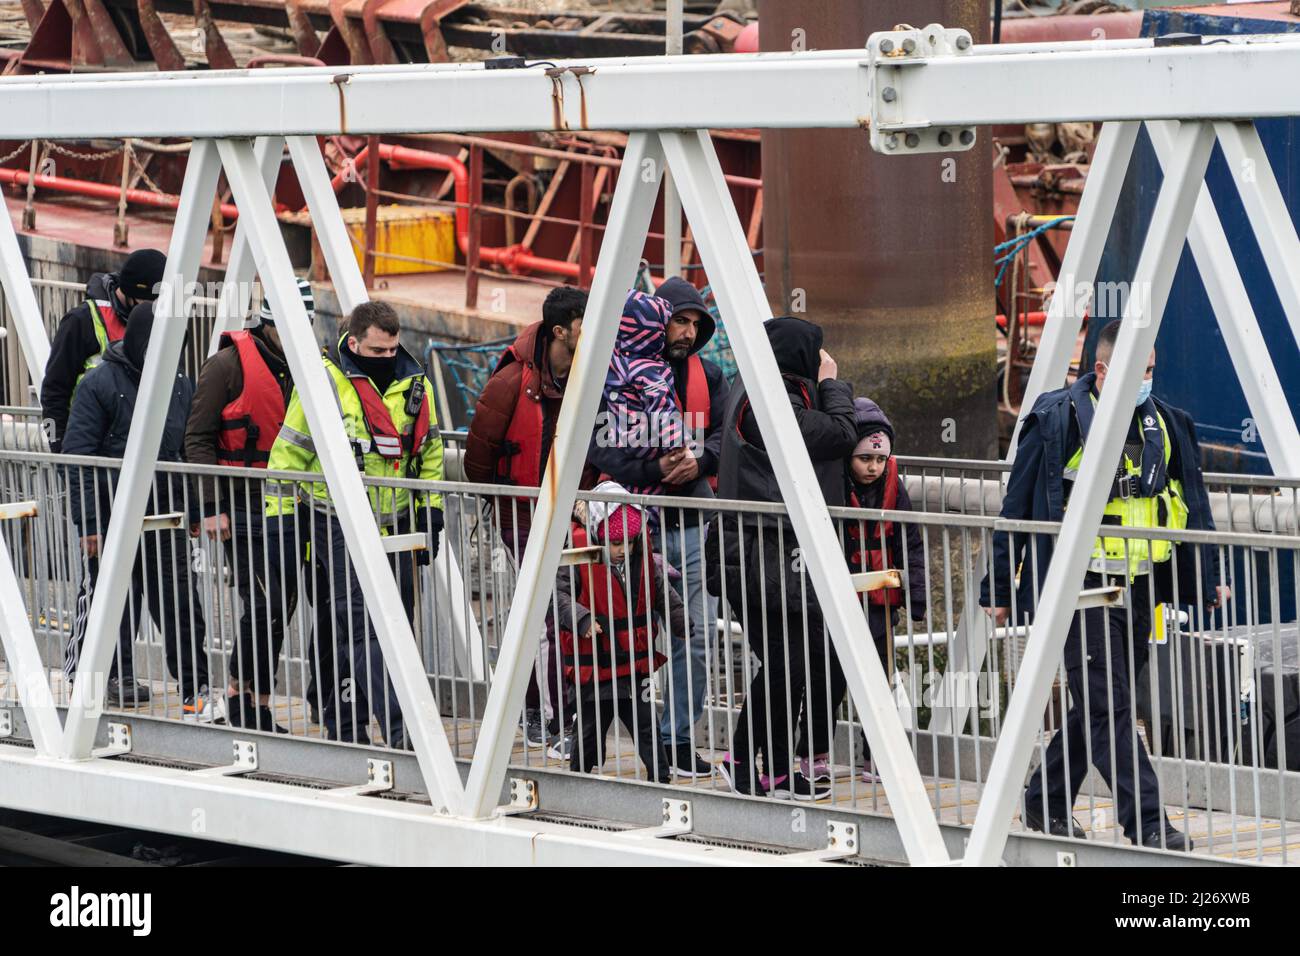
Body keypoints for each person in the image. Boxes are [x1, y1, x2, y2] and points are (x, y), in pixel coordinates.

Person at [981, 319, 1228, 851]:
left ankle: (1044, 802)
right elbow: (1016, 510)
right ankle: (1149, 822)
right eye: (1138, 370)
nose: (1147, 379)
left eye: (1151, 370)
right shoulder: (1056, 419)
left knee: (1099, 703)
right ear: (1101, 370)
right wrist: (998, 590)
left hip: (1138, 587)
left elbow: (1195, 508)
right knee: (1110, 705)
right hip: (1081, 588)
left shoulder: (1169, 423)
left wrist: (1210, 577)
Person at [265, 300, 444, 749]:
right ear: (353, 341)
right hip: (337, 521)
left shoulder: (414, 382)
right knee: (362, 625)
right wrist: (282, 525)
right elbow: (287, 456)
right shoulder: (324, 380)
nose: (386, 359)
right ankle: (402, 731)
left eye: (392, 351)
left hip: (397, 524)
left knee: (394, 627)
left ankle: (342, 719)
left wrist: (432, 510)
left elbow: (430, 454)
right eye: (377, 352)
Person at [709, 316, 857, 800]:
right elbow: (838, 434)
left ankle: (770, 766)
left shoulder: (755, 390)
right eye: (816, 353)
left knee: (788, 661)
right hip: (758, 555)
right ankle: (738, 757)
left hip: (767, 554)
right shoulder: (767, 403)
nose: (820, 362)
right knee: (784, 660)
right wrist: (834, 385)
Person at [587, 277, 729, 779]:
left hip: (689, 520)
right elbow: (594, 445)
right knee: (612, 633)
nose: (688, 333)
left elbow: (727, 436)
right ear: (657, 321)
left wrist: (700, 460)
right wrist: (653, 470)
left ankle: (676, 739)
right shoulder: (609, 374)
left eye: (696, 324)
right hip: (625, 524)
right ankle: (591, 738)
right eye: (680, 321)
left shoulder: (709, 377)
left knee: (693, 634)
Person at [62, 302, 217, 718]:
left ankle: (195, 689)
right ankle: (103, 680)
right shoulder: (99, 384)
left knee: (182, 604)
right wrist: (90, 523)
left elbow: (184, 451)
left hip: (165, 516)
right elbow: (79, 458)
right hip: (112, 517)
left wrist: (196, 512)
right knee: (110, 603)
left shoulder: (180, 384)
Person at [186, 278, 316, 733]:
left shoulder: (308, 366)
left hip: (291, 509)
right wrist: (211, 505)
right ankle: (242, 698)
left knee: (285, 602)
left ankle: (254, 702)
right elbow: (197, 438)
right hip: (240, 509)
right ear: (269, 322)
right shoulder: (225, 366)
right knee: (266, 601)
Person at [464, 285, 588, 758]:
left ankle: (537, 705)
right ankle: (553, 718)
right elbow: (479, 457)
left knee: (564, 610)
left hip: (571, 516)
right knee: (551, 612)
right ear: (560, 331)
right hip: (523, 515)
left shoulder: (587, 372)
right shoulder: (511, 382)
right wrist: (513, 498)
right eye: (583, 322)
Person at [796, 397, 928, 784]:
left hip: (879, 603)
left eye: (879, 460)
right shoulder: (830, 482)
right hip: (835, 603)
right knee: (827, 680)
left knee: (879, 682)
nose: (872, 468)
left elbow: (910, 541)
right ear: (848, 457)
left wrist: (915, 597)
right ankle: (815, 754)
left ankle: (875, 757)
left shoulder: (893, 487)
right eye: (864, 460)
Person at [554, 484, 687, 783]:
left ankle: (661, 777)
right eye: (615, 543)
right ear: (600, 534)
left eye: (628, 542)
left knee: (646, 726)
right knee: (589, 729)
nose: (622, 550)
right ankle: (579, 778)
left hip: (632, 667)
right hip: (595, 671)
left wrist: (679, 621)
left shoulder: (643, 558)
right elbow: (560, 596)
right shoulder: (578, 554)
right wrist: (582, 619)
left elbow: (662, 591)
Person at [42, 249, 166, 452]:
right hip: (90, 451)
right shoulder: (81, 321)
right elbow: (53, 392)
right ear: (132, 293)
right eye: (151, 302)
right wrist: (58, 447)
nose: (154, 310)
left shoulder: (155, 322)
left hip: (138, 451)